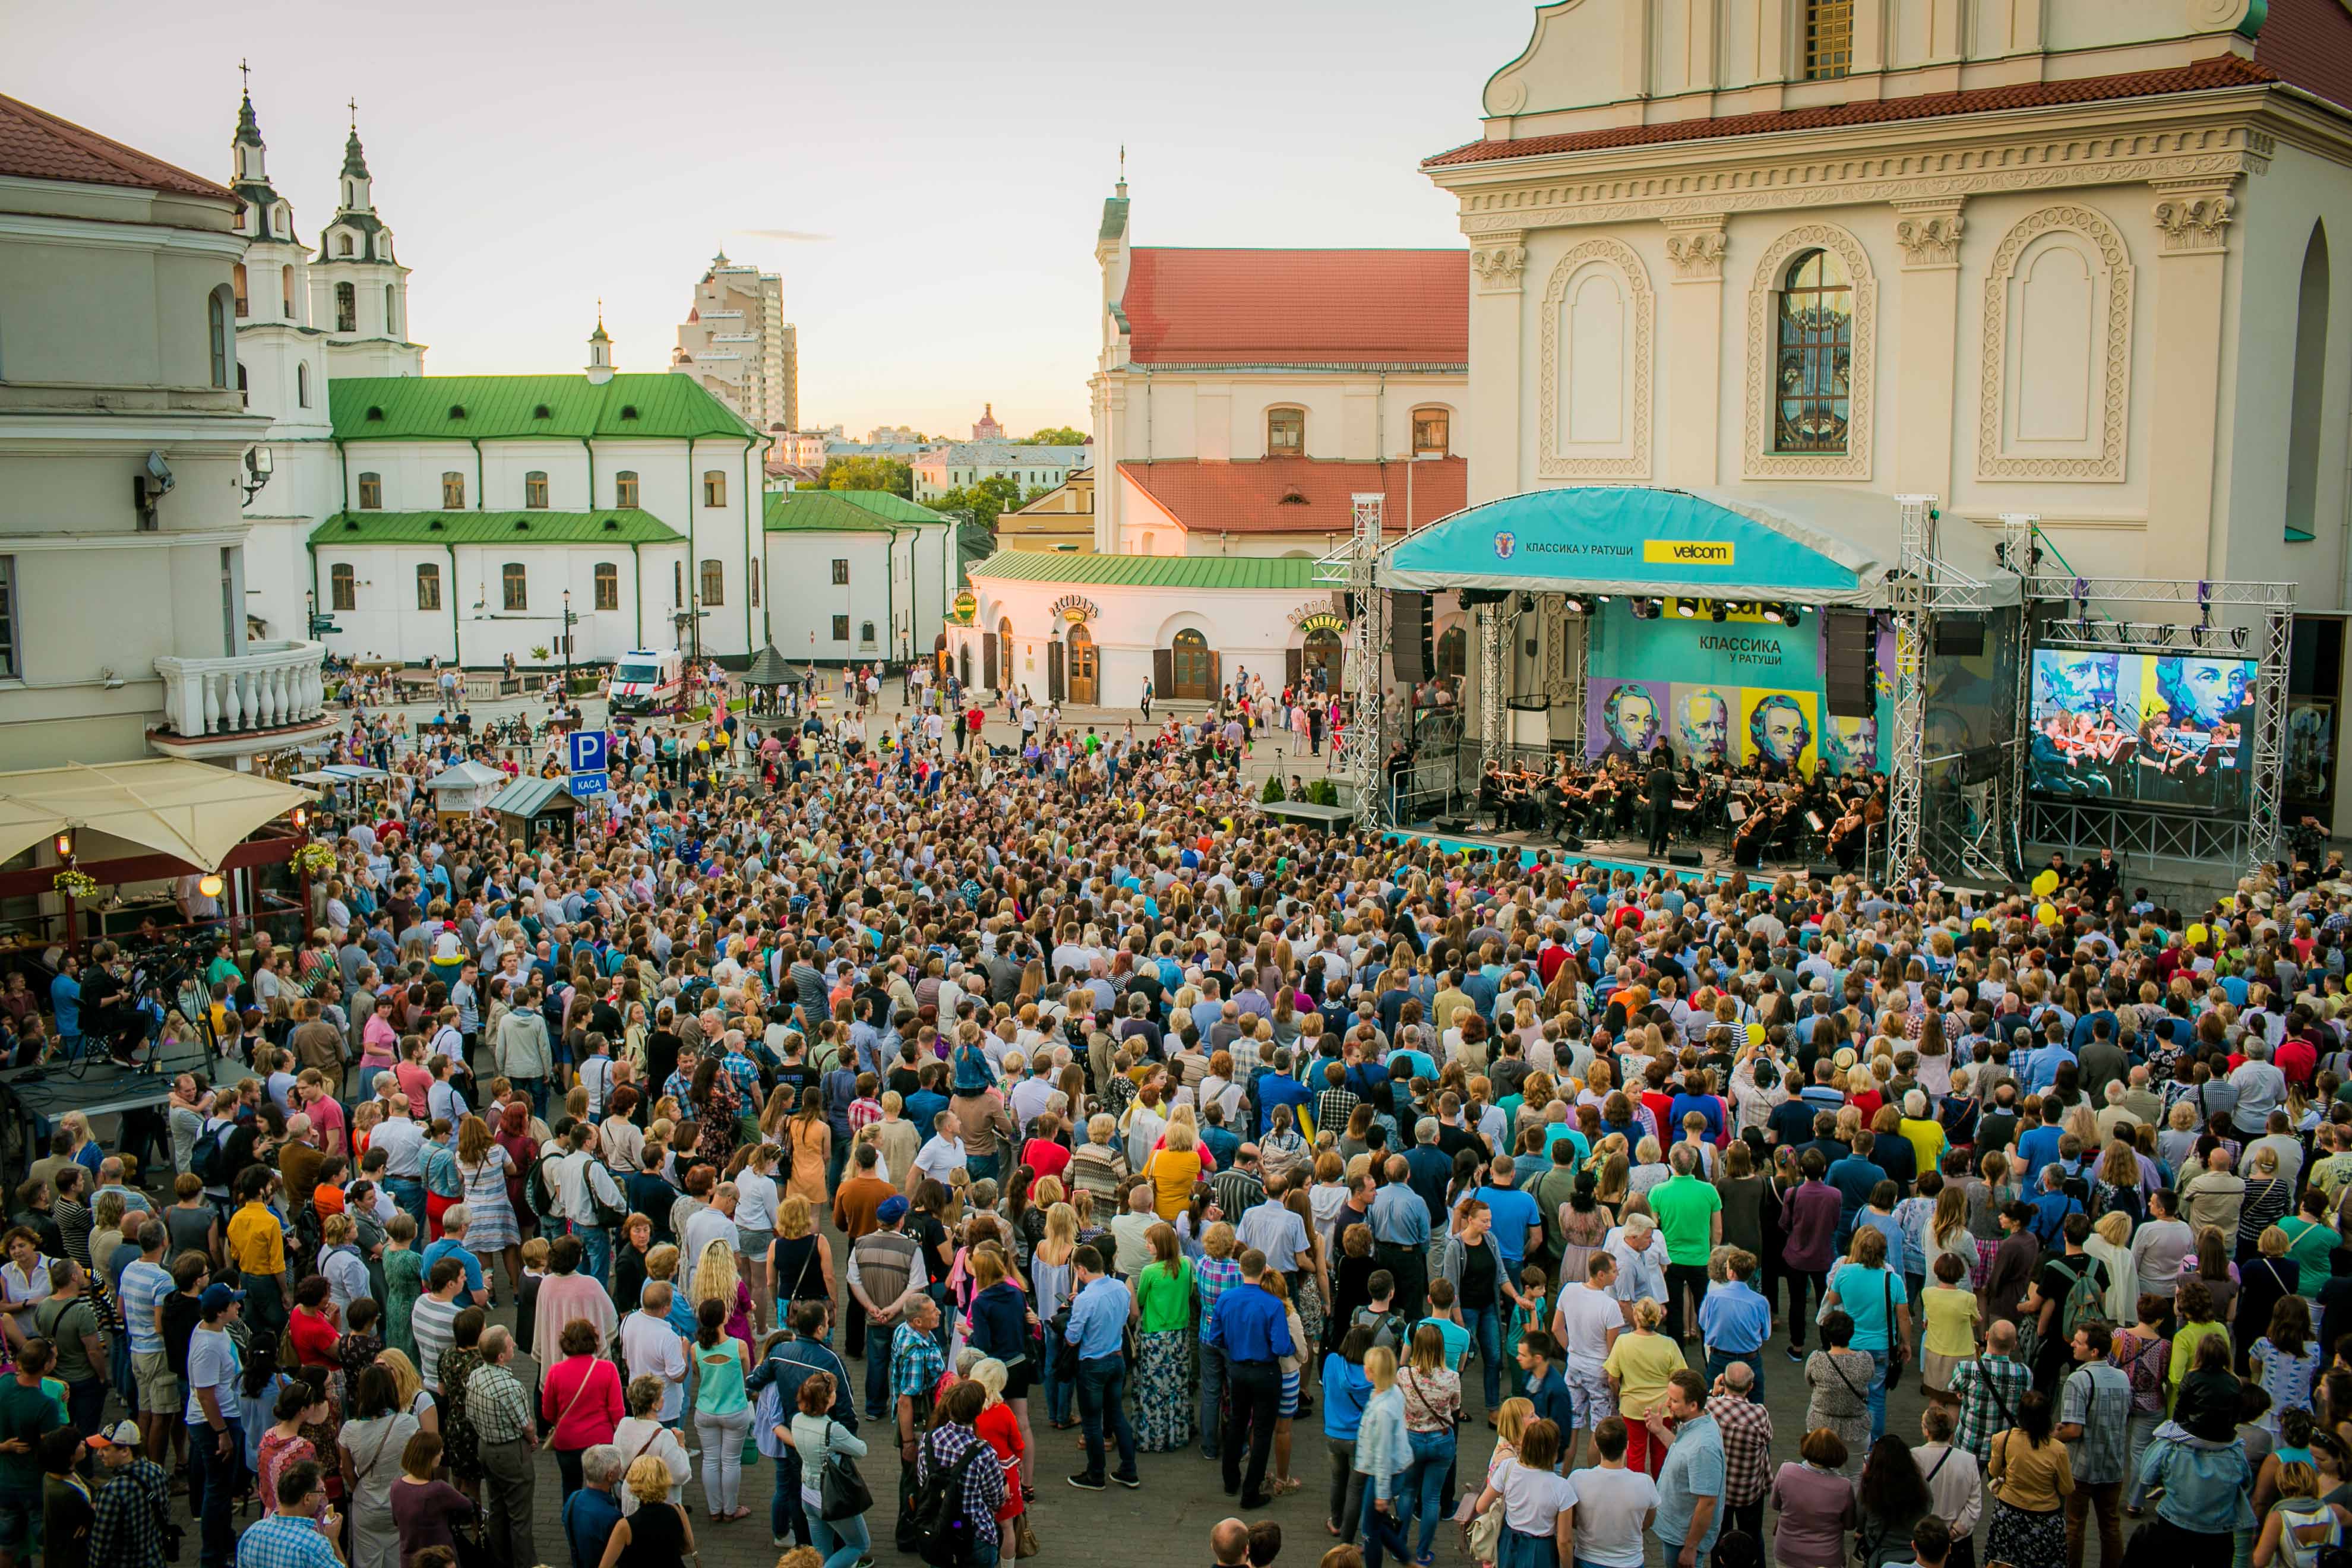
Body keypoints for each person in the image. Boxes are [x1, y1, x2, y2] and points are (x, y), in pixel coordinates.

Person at [1207, 1245, 1292, 1507]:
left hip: (1238, 1369)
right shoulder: (1273, 1305)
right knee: (1263, 1431)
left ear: (1240, 1269)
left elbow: (1215, 1337)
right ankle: (1251, 1491)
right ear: (1265, 1269)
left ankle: (1231, 1481)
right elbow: (1280, 1347)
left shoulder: (1226, 1299)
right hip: (1266, 1371)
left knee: (1237, 1423)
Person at [2053, 1320, 2131, 1568]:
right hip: (2114, 1464)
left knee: (2074, 1526)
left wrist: (2054, 1436)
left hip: (2081, 1467)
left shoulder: (2078, 1380)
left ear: (2094, 1351)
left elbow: (2074, 1429)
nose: (2073, 1344)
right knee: (2110, 1525)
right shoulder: (2122, 1378)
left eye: (2079, 1341)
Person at [464, 1325, 538, 1568]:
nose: (515, 1345)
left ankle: (499, 1560)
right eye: (510, 1344)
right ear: (501, 1356)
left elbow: (470, 1414)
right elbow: (525, 1424)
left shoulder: (475, 1375)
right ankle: (525, 1564)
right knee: (520, 1516)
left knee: (497, 1508)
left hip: (485, 1448)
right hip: (510, 1452)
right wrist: (533, 1439)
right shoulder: (511, 1387)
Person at [183, 1285, 243, 1568]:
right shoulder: (208, 1346)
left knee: (221, 1488)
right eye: (233, 1304)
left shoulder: (215, 1330)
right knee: (217, 1491)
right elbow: (204, 1395)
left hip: (223, 1418)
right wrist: (222, 1434)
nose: (238, 1307)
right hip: (214, 1424)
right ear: (220, 1312)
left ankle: (226, 1541)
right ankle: (212, 1557)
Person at [339, 1362, 419, 1568]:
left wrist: (361, 1490)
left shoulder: (349, 1430)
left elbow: (347, 1472)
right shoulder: (408, 1424)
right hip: (400, 1502)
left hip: (366, 1505)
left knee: (366, 1559)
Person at [788, 1371, 871, 1568]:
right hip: (831, 1496)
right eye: (833, 1392)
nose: (835, 1394)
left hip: (807, 1494)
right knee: (860, 1544)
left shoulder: (796, 1419)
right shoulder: (833, 1430)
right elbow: (861, 1450)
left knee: (821, 1552)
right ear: (826, 1399)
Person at [1984, 1392, 2073, 1568]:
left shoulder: (2003, 1439)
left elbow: (1994, 1471)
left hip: (2008, 1514)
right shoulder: (2058, 1449)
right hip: (2045, 1519)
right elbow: (2066, 1489)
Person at [540, 1319, 624, 1496]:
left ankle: (570, 1520)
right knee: (603, 1491)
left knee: (570, 1488)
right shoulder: (608, 1369)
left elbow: (547, 1413)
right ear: (593, 1341)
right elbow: (617, 1412)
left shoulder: (555, 1372)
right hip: (600, 1442)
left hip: (567, 1442)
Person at [1649, 1371, 1725, 1568]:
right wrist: (1659, 1431)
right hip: (1677, 1531)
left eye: (1674, 1401)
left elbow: (1708, 1502)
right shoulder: (1695, 1425)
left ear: (1693, 1405)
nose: (1667, 1404)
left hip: (1683, 1538)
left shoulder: (1704, 1447)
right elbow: (1683, 1454)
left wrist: (1691, 1547)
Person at [691, 1296, 754, 1522]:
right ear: (723, 1318)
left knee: (710, 1460)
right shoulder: (739, 1346)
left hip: (706, 1411)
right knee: (730, 1462)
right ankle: (730, 1509)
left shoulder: (695, 1349)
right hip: (735, 1411)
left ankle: (714, 1509)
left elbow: (698, 1373)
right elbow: (746, 1372)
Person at [1351, 1346, 1413, 1568]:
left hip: (1382, 1475)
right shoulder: (1392, 1392)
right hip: (1390, 1470)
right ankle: (1406, 1559)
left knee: (1369, 1530)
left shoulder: (1383, 1410)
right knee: (1376, 1524)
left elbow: (1383, 1454)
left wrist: (1382, 1494)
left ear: (1372, 1372)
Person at [84, 1421, 169, 1568]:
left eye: (105, 1448)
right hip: (156, 1560)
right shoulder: (158, 1472)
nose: (99, 1454)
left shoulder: (112, 1492)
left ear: (125, 1451)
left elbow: (100, 1547)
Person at [1768, 1428, 1856, 1568]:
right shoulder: (1844, 1487)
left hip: (1787, 1552)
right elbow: (1850, 1524)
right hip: (1826, 1559)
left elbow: (1775, 1504)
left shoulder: (1786, 1470)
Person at [1910, 1405, 1983, 1568]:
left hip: (1922, 1539)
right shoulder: (1968, 1460)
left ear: (1926, 1431)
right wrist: (1955, 1532)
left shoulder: (1913, 1457)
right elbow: (1974, 1504)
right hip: (1958, 1543)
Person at [593, 1454, 696, 1568]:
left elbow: (605, 1566)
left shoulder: (625, 1526)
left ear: (634, 1482)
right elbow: (688, 1548)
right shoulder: (679, 1511)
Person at [388, 1431, 474, 1564]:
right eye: (439, 1451)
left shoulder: (396, 1487)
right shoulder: (439, 1490)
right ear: (429, 1457)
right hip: (440, 1560)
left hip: (409, 1560)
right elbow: (468, 1506)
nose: (442, 1454)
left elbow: (396, 1521)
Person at [236, 1460, 341, 1568]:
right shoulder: (315, 1545)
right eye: (321, 1491)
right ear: (307, 1499)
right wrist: (333, 1541)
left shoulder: (252, 1533)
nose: (322, 1496)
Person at [1852, 1437, 1932, 1568]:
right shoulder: (1921, 1486)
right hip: (1912, 1554)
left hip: (1879, 1555)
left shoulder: (1871, 1486)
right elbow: (1927, 1512)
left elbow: (1859, 1519)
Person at [560, 1445, 625, 1568]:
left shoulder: (574, 1498)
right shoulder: (612, 1517)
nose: (621, 1470)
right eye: (619, 1468)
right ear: (610, 1475)